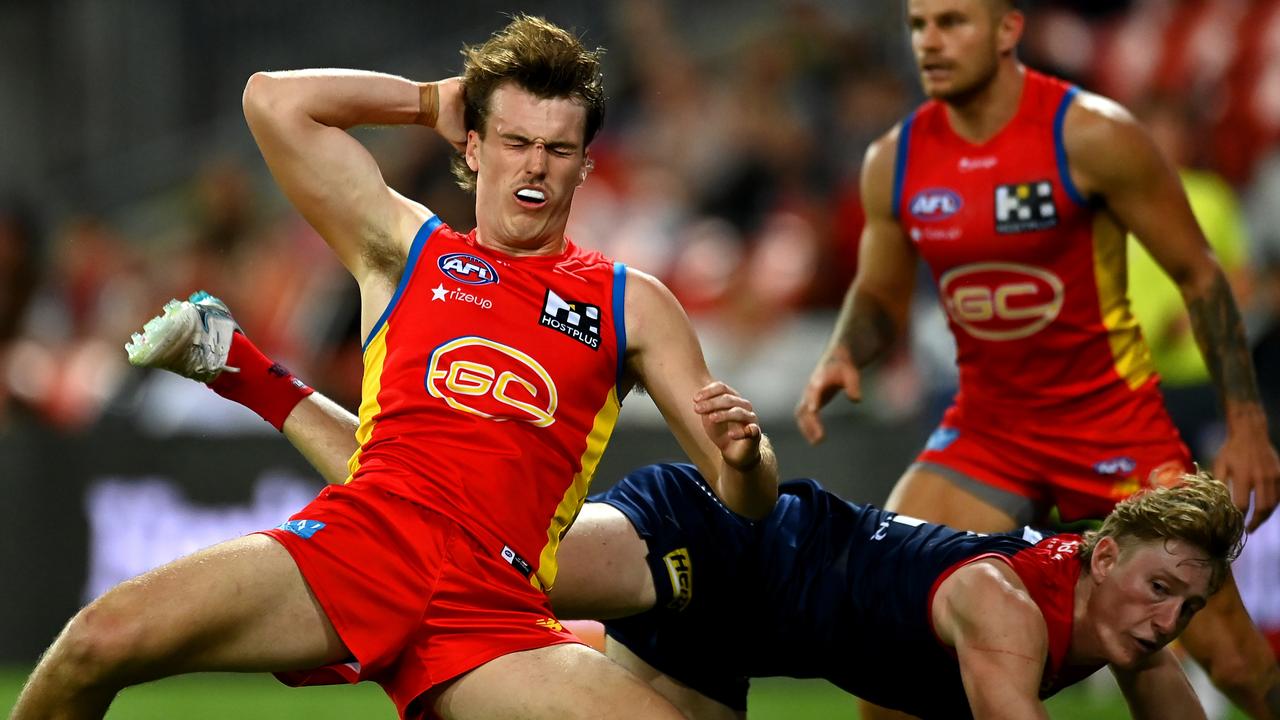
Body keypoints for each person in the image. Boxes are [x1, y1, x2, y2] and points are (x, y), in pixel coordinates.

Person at [12, 16, 779, 720]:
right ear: (473, 146)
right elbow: (272, 102)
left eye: (558, 149)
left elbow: (743, 498)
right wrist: (425, 99)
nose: (533, 168)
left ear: (585, 166)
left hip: (493, 609)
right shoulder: (409, 248)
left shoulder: (631, 303)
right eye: (514, 142)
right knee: (94, 643)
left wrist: (746, 457)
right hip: (359, 552)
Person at [118, 302, 1242, 719]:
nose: (1161, 624)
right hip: (721, 541)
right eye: (1155, 591)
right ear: (1096, 551)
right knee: (455, 544)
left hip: (743, 637)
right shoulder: (1007, 614)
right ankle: (244, 366)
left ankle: (534, 646)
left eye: (1182, 608)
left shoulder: (1126, 621)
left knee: (470, 571)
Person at [792, 0, 1280, 717]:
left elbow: (1201, 274)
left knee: (1236, 662)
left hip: (1112, 422)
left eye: (952, 22)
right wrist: (844, 351)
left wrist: (1246, 425)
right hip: (988, 430)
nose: (930, 41)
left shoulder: (1092, 134)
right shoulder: (894, 160)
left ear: (1008, 30)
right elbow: (878, 298)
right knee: (885, 638)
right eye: (918, 25)